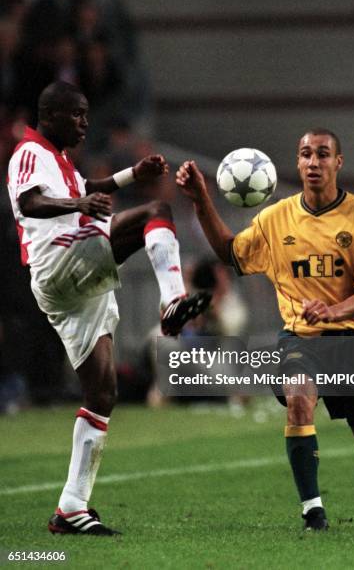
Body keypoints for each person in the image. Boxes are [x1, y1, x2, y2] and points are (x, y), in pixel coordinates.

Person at [7, 80, 210, 536]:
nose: (83, 122)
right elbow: (30, 201)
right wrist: (80, 202)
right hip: (59, 259)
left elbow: (86, 185)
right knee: (156, 211)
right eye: (75, 114)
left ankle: (71, 509)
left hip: (73, 282)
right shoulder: (29, 151)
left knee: (102, 393)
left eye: (85, 114)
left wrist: (130, 176)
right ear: (51, 115)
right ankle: (173, 300)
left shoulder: (59, 160)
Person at [176, 128, 354, 531]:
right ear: (297, 163)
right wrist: (201, 200)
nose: (314, 162)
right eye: (306, 154)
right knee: (298, 399)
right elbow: (229, 253)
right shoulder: (275, 219)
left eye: (323, 154)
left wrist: (331, 311)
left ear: (338, 163)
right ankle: (313, 511)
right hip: (302, 338)